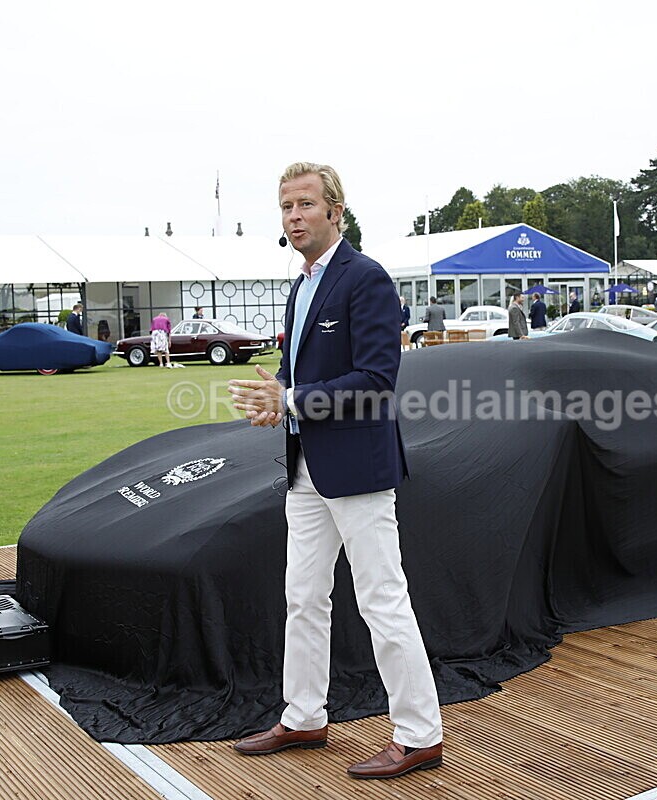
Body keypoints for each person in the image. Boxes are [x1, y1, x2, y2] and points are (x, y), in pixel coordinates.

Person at [228, 162, 443, 780]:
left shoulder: (365, 278)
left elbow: (376, 380)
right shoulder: (300, 287)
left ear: (335, 211)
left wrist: (292, 400)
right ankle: (303, 717)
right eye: (286, 207)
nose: (294, 216)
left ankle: (420, 734)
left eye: (305, 204)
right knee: (303, 598)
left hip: (358, 470)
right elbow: (300, 376)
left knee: (382, 599)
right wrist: (278, 402)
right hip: (304, 469)